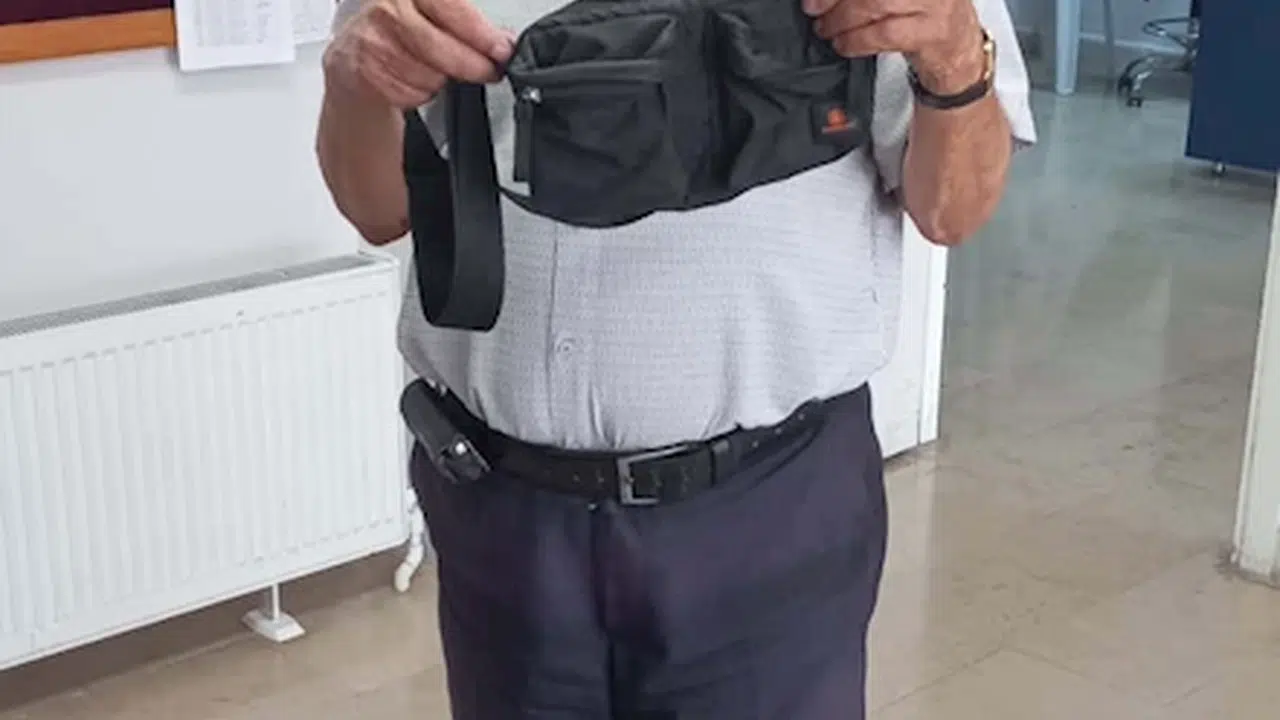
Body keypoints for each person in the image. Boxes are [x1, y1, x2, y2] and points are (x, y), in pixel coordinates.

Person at [318, 0, 1035, 716]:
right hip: (505, 524)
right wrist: (351, 85)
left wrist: (953, 54)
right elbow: (376, 209)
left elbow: (952, 211)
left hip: (768, 517)